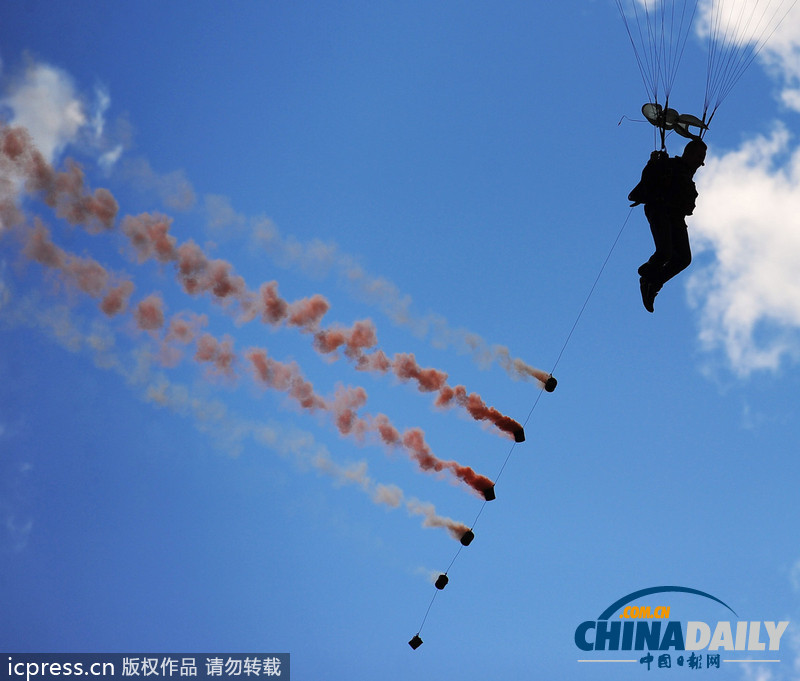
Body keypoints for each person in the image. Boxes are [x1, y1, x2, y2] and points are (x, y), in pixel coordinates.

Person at [628, 139, 707, 312]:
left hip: (675, 217)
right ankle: (647, 275)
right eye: (700, 157)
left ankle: (652, 283)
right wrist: (653, 163)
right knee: (665, 253)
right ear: (689, 153)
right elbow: (647, 180)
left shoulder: (687, 177)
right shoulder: (667, 164)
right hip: (659, 209)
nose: (702, 163)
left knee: (684, 258)